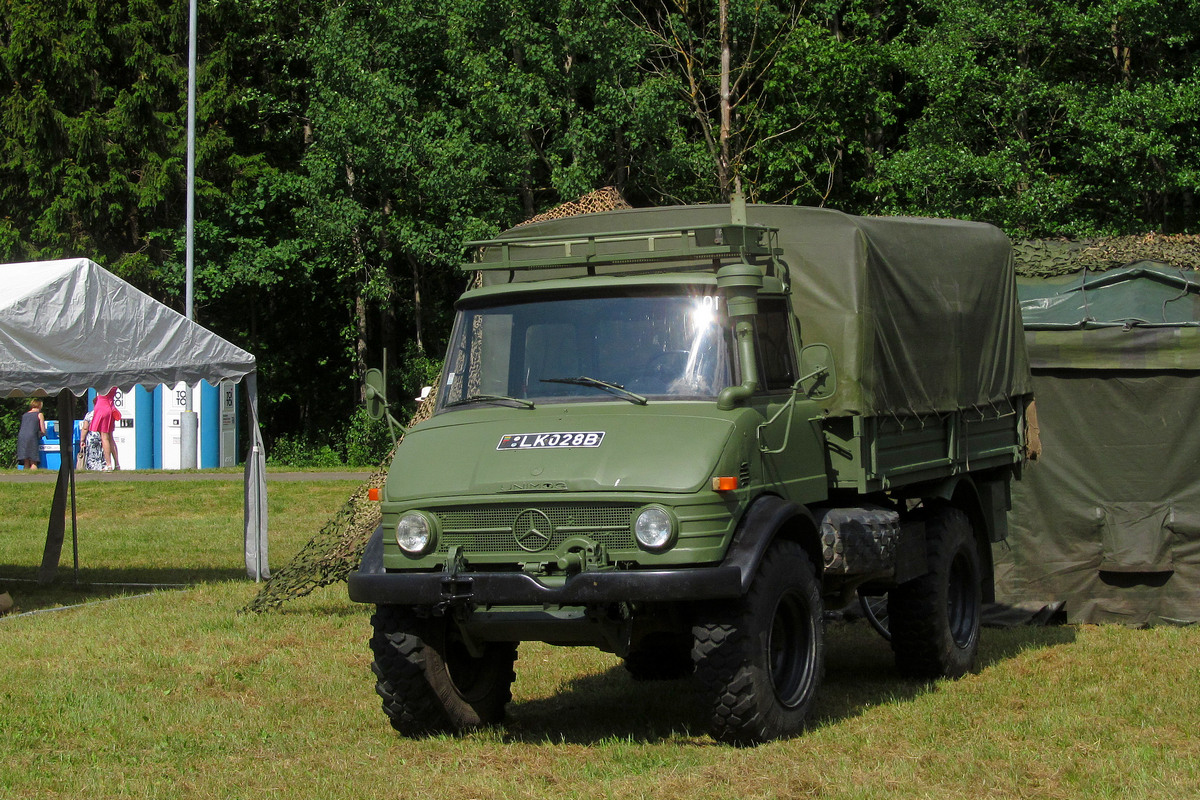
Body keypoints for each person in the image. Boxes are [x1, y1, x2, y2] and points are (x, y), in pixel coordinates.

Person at [89, 388, 121, 470]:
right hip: (110, 408)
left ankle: (108, 464)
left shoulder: (104, 383)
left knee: (104, 437)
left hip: (102, 408)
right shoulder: (114, 385)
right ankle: (117, 464)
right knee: (110, 437)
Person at [16, 398, 46, 470]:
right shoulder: (39, 414)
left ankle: (25, 478)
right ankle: (34, 477)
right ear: (40, 406)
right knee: (33, 460)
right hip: (32, 437)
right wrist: (43, 434)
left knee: (26, 460)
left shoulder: (25, 415)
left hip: (22, 436)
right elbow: (43, 430)